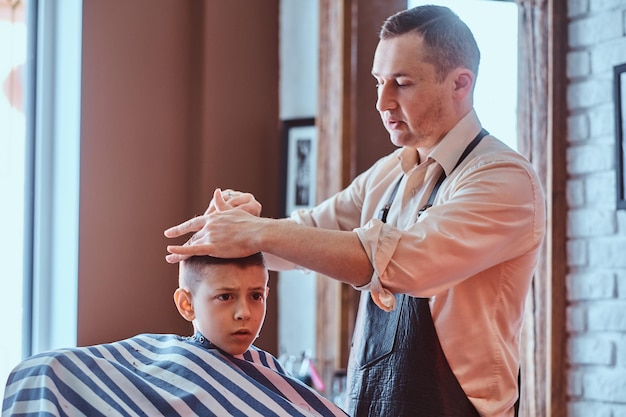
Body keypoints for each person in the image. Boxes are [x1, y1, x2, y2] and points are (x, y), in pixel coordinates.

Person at [164, 5, 546, 417]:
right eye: (379, 83)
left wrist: (257, 233)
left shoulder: (503, 179)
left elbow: (404, 263)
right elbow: (308, 233)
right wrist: (242, 229)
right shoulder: (388, 174)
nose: (382, 102)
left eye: (402, 83)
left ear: (460, 84)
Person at [2, 254, 348, 417]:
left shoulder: (266, 367)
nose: (244, 312)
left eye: (256, 295)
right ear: (187, 304)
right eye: (225, 297)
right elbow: (50, 371)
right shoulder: (154, 355)